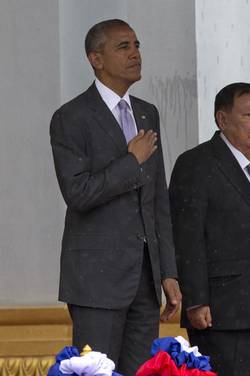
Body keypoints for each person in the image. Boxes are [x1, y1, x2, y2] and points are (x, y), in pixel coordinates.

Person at [49, 19, 181, 375]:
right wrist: (130, 161)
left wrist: (168, 271)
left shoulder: (146, 113)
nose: (135, 53)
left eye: (137, 45)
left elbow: (158, 200)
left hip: (145, 279)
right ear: (96, 58)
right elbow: (78, 193)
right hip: (96, 280)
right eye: (123, 47)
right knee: (98, 371)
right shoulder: (70, 118)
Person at [169, 82, 250, 376]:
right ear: (222, 119)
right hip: (222, 312)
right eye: (249, 115)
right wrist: (196, 299)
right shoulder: (196, 164)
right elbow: (187, 237)